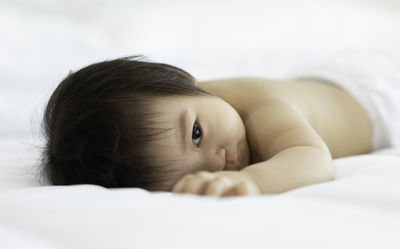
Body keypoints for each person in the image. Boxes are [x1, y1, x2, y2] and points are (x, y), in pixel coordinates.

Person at [41, 53, 400, 196]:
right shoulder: (188, 105)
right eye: (185, 175)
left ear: (182, 78)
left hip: (382, 95)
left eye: (196, 134)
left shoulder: (263, 111)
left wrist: (249, 180)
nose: (218, 164)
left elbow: (313, 160)